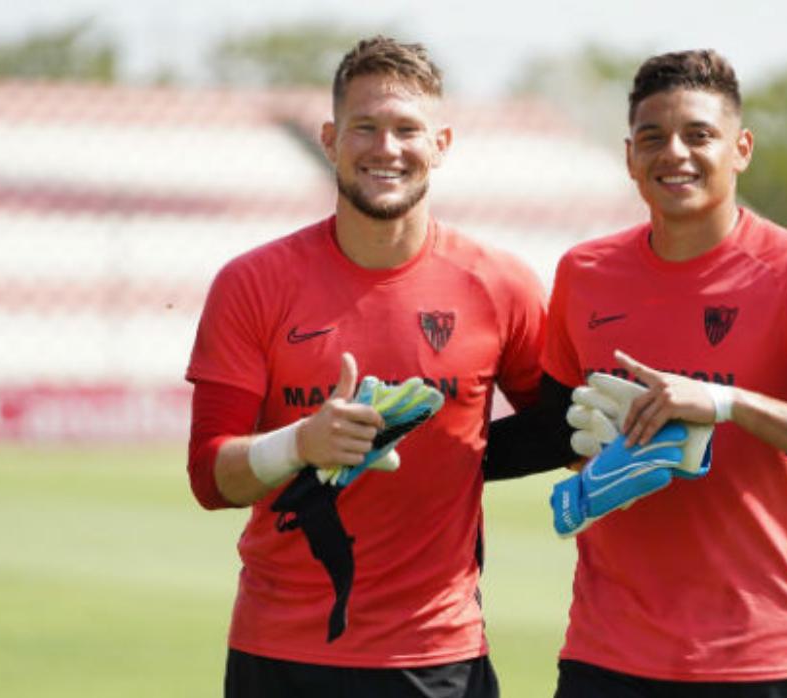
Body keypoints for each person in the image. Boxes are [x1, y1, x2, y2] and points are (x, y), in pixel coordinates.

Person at [538, 49, 787, 697]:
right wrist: (595, 462)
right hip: (603, 655)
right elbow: (554, 432)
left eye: (699, 135)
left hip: (753, 662)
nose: (674, 154)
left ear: (741, 148)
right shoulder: (584, 272)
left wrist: (726, 404)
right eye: (652, 138)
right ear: (630, 155)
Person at [185, 36, 547, 698]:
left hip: (440, 657)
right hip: (280, 657)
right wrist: (302, 443)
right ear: (329, 139)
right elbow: (210, 477)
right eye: (365, 128)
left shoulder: (502, 286)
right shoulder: (251, 283)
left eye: (408, 130)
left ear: (441, 143)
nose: (387, 148)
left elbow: (559, 427)